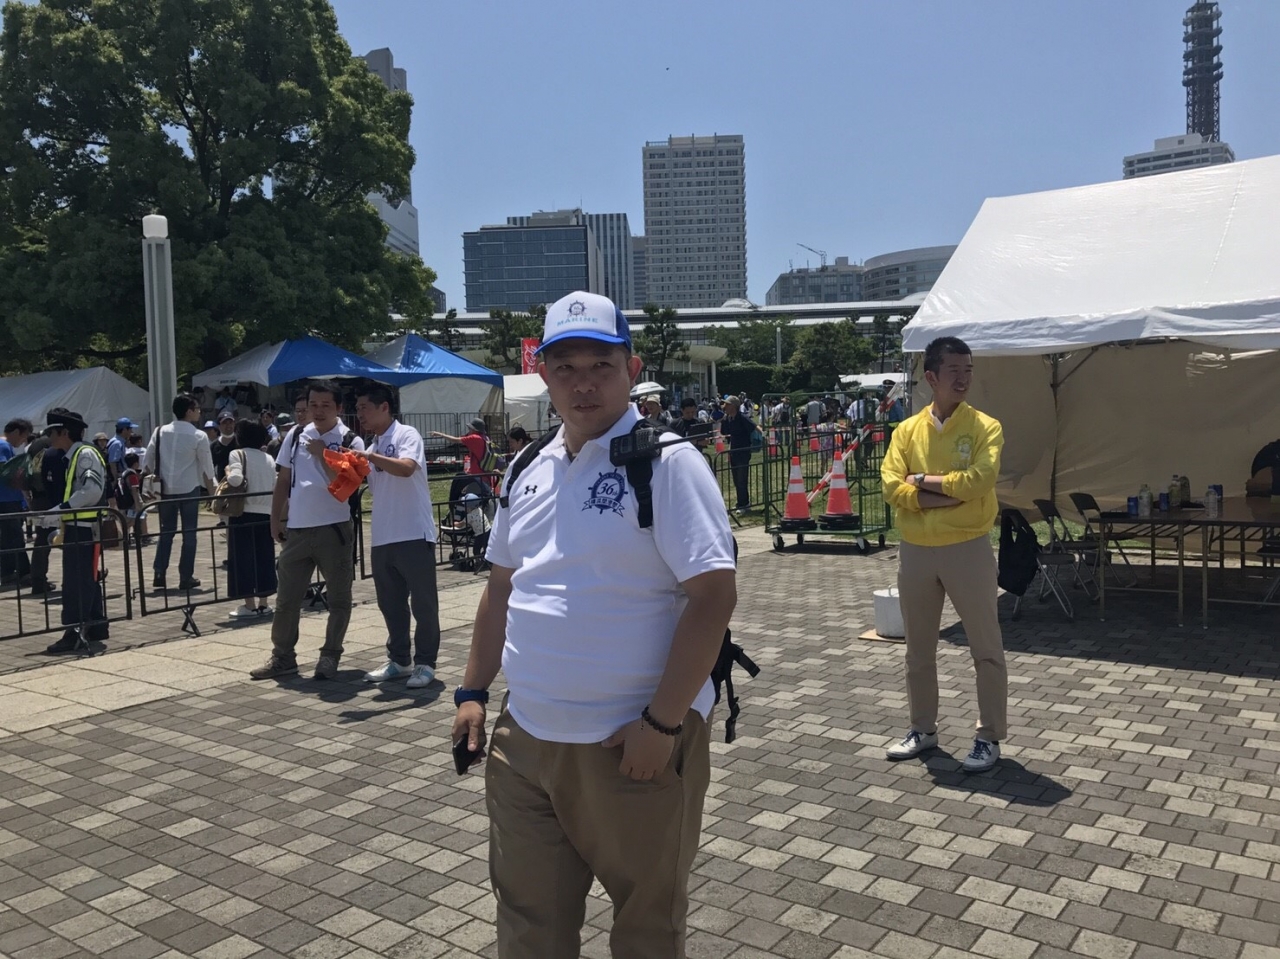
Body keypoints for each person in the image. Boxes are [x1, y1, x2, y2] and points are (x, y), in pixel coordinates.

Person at [451, 290, 736, 957]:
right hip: (526, 740)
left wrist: (662, 724)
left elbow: (713, 597)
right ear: (544, 375)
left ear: (631, 370)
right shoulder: (527, 465)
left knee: (645, 928)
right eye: (566, 367)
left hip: (629, 744)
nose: (583, 383)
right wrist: (472, 691)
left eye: (600, 366)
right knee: (529, 925)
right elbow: (502, 586)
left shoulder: (666, 463)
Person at [881, 336, 1007, 774]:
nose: (964, 378)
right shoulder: (906, 430)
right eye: (955, 370)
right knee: (918, 649)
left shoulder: (986, 427)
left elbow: (979, 481)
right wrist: (941, 494)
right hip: (916, 550)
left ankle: (988, 735)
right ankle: (923, 728)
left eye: (968, 369)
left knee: (985, 647)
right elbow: (890, 484)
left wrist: (921, 482)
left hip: (968, 547)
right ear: (931, 377)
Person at [250, 380, 364, 681]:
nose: (318, 411)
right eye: (313, 405)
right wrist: (275, 519)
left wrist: (323, 453)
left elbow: (347, 487)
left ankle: (330, 656)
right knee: (287, 599)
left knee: (338, 598)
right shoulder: (296, 435)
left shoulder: (351, 440)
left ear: (339, 408)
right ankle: (282, 656)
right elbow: (283, 480)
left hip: (334, 529)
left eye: (326, 405)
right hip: (298, 529)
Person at [352, 384, 440, 688]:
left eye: (364, 407)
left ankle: (425, 662)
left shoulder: (406, 435)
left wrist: (370, 457)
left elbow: (406, 468)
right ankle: (400, 660)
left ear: (384, 407)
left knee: (423, 604)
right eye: (357, 408)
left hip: (413, 531)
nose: (360, 414)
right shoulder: (373, 445)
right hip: (382, 535)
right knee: (390, 603)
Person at [44, 408, 109, 653]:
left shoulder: (84, 455)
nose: (49, 438)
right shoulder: (78, 454)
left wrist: (61, 510)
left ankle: (74, 632)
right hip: (81, 526)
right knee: (86, 578)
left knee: (76, 582)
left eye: (52, 432)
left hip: (83, 528)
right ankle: (95, 625)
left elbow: (91, 491)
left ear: (64, 432)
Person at [145, 394, 215, 591]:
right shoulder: (198, 436)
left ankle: (159, 572)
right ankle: (186, 576)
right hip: (189, 488)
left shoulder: (159, 432)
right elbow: (207, 468)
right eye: (197, 409)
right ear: (189, 411)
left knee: (166, 531)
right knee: (189, 533)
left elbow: (148, 460)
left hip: (165, 489)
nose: (199, 412)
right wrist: (213, 493)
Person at [223, 418, 277, 619]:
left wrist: (228, 471)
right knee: (264, 557)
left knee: (242, 558)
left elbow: (236, 479)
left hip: (243, 512)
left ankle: (249, 605)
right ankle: (264, 603)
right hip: (265, 512)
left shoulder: (237, 454)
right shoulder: (268, 458)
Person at [0, 418, 33, 587]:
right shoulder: (4, 446)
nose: (23, 442)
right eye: (23, 437)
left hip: (7, 498)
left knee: (6, 538)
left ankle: (7, 572)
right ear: (15, 432)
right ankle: (25, 573)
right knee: (16, 537)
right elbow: (5, 471)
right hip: (7, 499)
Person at [720, 396, 758, 513]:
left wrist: (765, 436)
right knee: (736, 480)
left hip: (743, 452)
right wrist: (724, 419)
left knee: (742, 480)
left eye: (727, 404)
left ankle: (744, 504)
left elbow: (754, 426)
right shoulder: (727, 419)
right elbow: (723, 432)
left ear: (734, 406)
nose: (725, 406)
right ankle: (741, 502)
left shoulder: (742, 418)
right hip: (733, 452)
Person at [431, 418, 495, 478]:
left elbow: (455, 440)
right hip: (485, 472)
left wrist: (441, 434)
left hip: (477, 473)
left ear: (474, 429)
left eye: (470, 428)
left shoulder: (474, 438)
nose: (469, 430)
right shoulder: (485, 437)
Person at [105, 417, 138, 486]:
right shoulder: (117, 443)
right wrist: (115, 479)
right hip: (118, 479)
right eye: (130, 429)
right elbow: (112, 462)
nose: (131, 432)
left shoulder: (119, 442)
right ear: (124, 430)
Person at [210, 411, 238, 481]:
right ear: (219, 426)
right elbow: (210, 468)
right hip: (221, 483)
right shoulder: (213, 446)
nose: (228, 425)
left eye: (230, 422)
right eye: (224, 423)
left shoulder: (241, 442)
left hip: (240, 483)